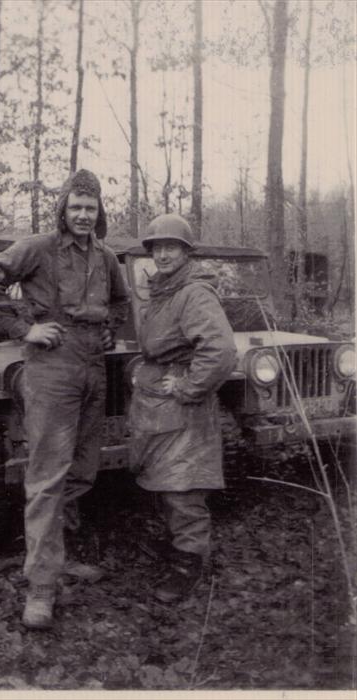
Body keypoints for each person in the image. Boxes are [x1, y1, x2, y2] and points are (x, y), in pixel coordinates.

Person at [0, 169, 129, 629]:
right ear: (63, 209)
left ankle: (59, 555)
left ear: (100, 212)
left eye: (91, 208)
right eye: (75, 207)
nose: (83, 215)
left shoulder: (106, 257)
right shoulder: (38, 248)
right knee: (46, 476)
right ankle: (41, 586)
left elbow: (120, 304)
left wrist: (108, 333)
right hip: (51, 364)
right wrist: (25, 329)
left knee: (84, 468)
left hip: (93, 366)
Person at [128, 213, 237, 604]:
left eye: (171, 246)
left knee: (183, 489)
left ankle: (187, 566)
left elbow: (221, 352)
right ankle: (178, 550)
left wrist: (189, 386)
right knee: (163, 482)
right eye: (157, 247)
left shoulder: (194, 293)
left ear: (186, 251)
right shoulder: (164, 291)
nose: (163, 254)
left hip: (182, 410)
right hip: (159, 407)